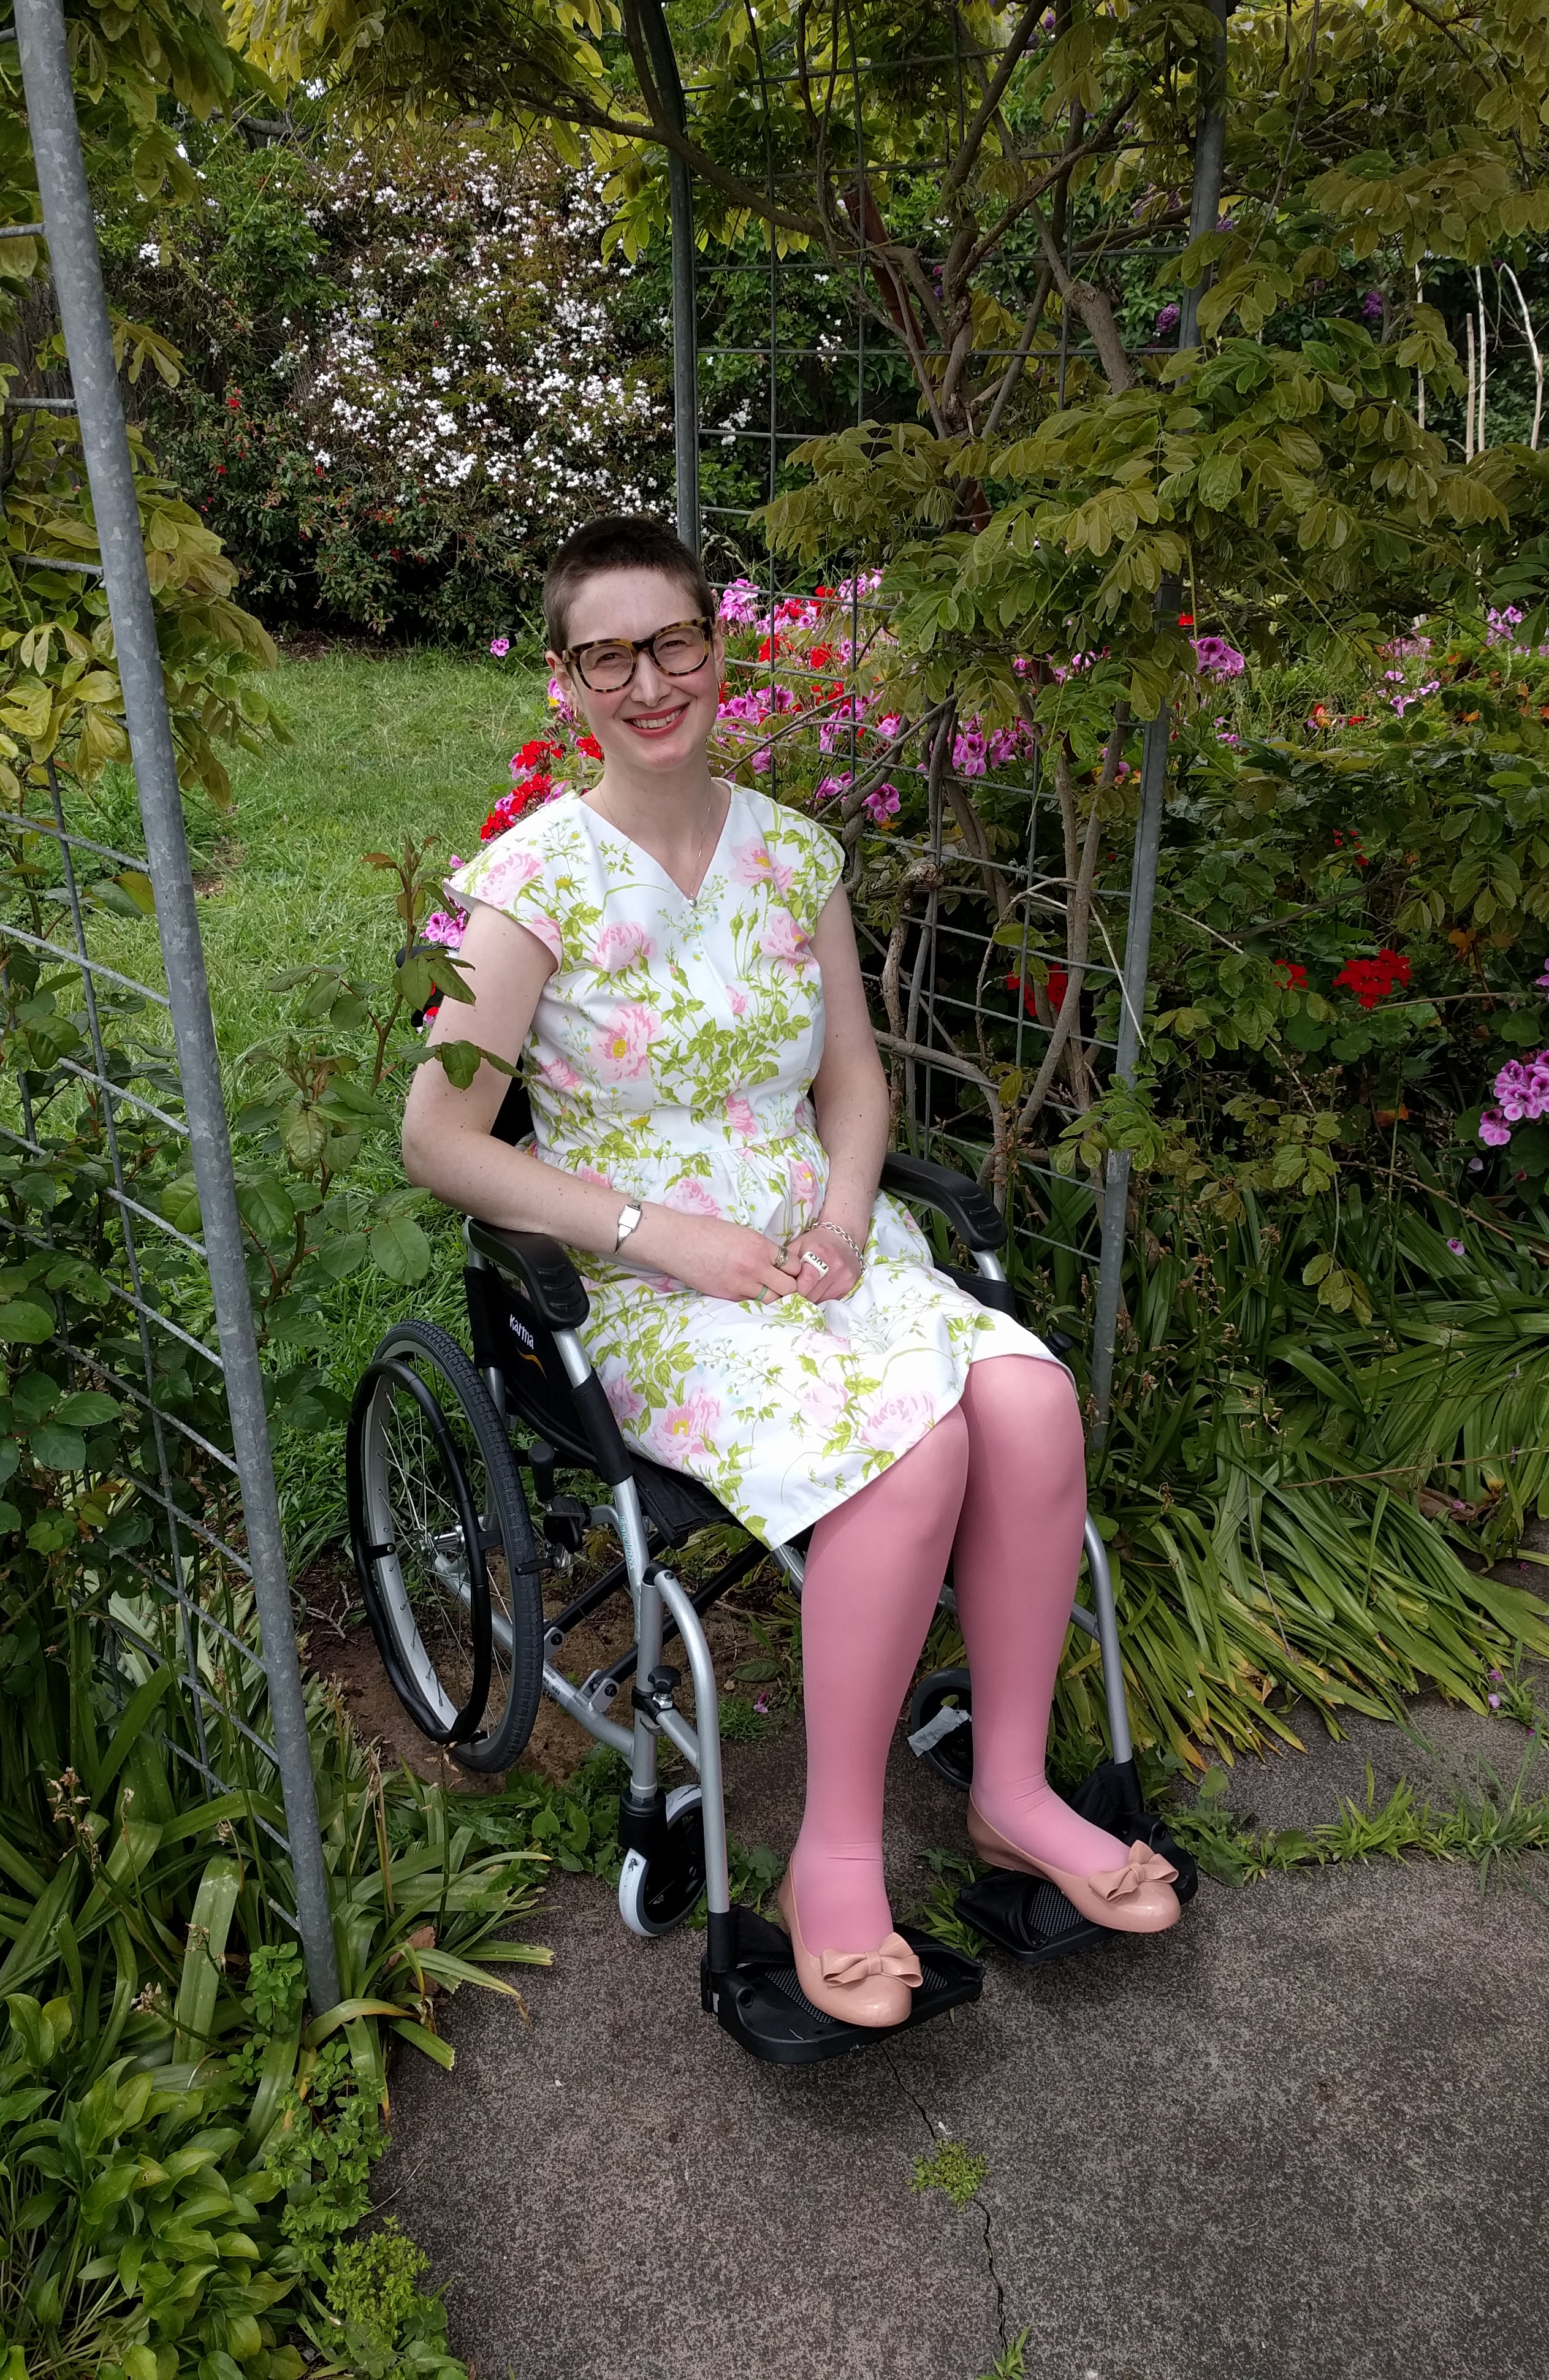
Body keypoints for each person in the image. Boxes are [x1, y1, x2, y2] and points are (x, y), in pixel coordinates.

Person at [403, 515, 1179, 2029]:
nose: (648, 681)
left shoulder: (794, 854)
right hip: (648, 1282)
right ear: (564, 683)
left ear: (720, 650)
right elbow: (436, 1138)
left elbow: (856, 1082)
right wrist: (652, 1232)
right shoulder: (525, 887)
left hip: (820, 1247)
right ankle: (835, 1859)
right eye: (606, 656)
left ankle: (1010, 1789)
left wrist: (841, 1214)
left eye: (673, 643)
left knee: (1028, 1401)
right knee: (914, 1450)